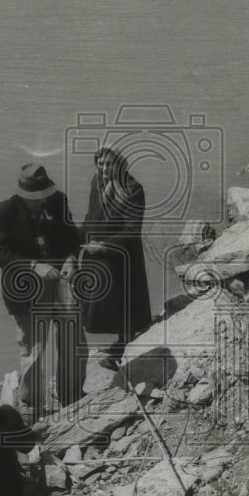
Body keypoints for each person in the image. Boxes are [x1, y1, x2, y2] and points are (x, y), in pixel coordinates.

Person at [0, 163, 87, 418]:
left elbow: (71, 237)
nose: (40, 202)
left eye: (43, 197)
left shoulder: (58, 201)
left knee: (73, 340)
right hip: (28, 293)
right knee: (34, 350)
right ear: (23, 196)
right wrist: (34, 266)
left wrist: (70, 259)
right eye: (35, 199)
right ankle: (32, 407)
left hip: (62, 284)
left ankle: (72, 397)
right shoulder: (5, 212)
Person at [79, 146, 151, 370]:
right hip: (95, 251)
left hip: (122, 254)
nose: (103, 168)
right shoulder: (97, 181)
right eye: (100, 163)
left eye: (109, 163)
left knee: (124, 303)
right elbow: (92, 214)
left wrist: (104, 246)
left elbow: (132, 230)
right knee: (100, 304)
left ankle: (123, 349)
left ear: (120, 163)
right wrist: (79, 238)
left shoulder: (133, 189)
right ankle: (120, 345)